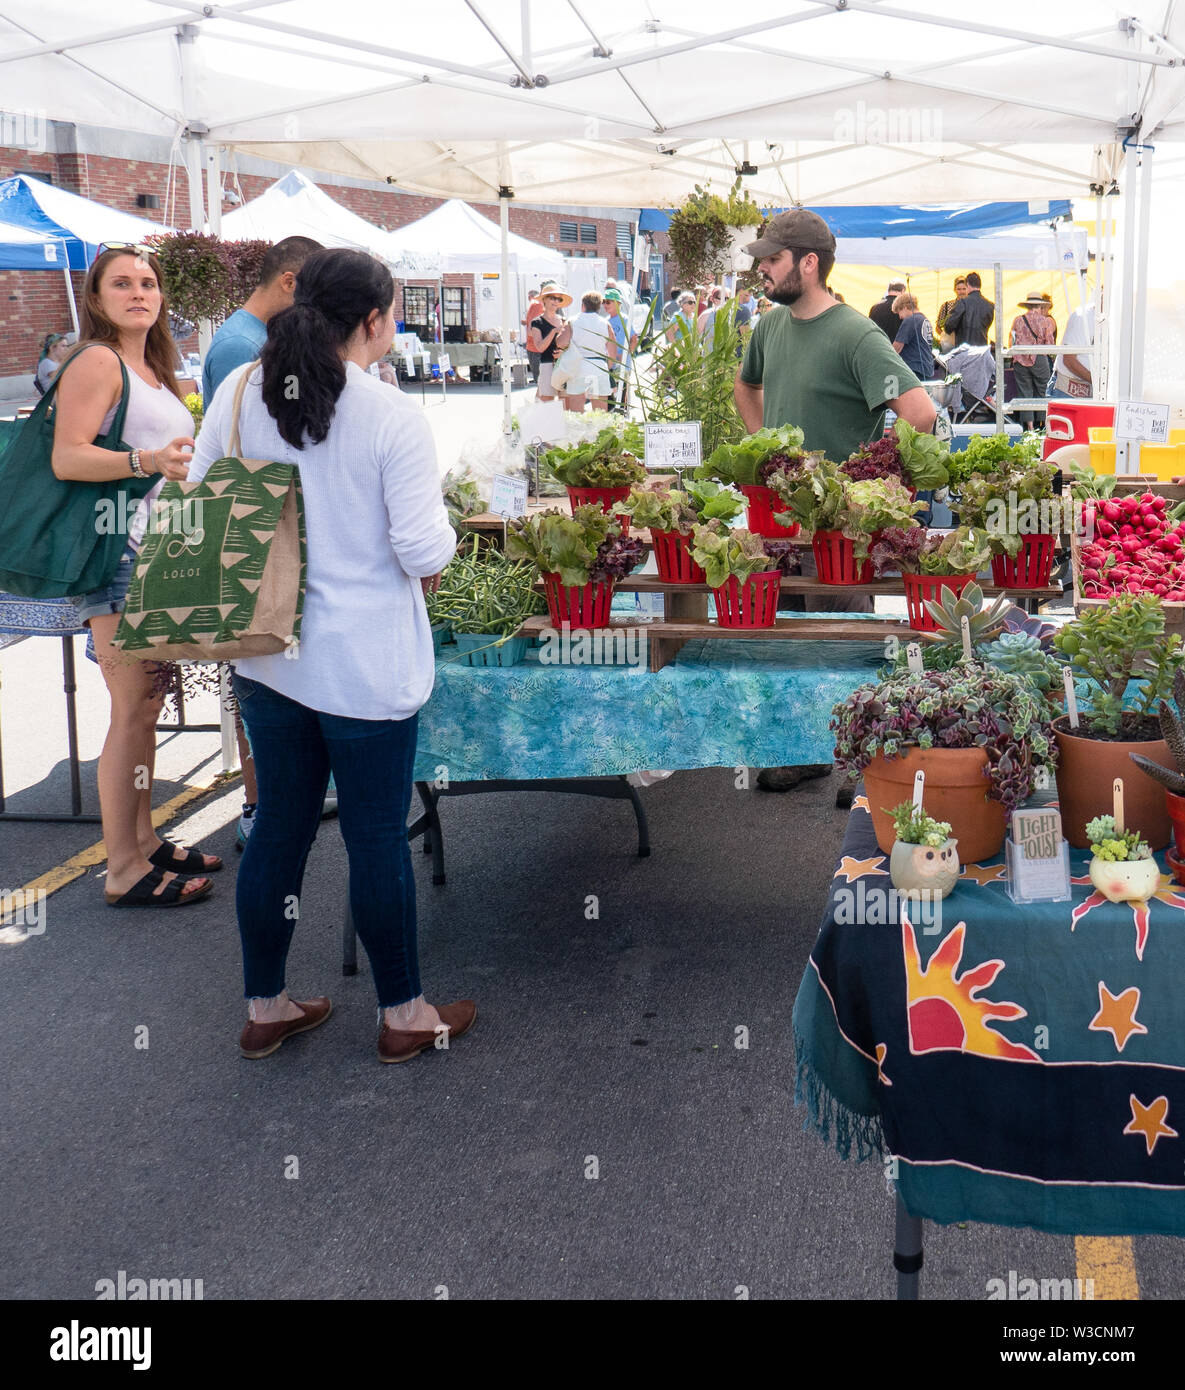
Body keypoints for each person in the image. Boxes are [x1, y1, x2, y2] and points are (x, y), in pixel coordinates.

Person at [188, 247, 470, 1064]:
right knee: (376, 837)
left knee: (279, 824)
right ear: (375, 320)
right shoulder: (390, 415)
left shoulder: (242, 392)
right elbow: (423, 551)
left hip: (267, 653)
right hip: (365, 665)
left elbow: (203, 500)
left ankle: (267, 1005)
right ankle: (403, 1015)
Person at [735, 209, 936, 793]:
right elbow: (746, 386)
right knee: (794, 637)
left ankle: (858, 764)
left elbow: (920, 414)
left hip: (840, 526)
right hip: (779, 517)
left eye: (771, 259)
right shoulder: (770, 327)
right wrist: (760, 446)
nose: (762, 269)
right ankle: (809, 752)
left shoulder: (856, 333)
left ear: (808, 263)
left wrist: (880, 489)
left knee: (842, 638)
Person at [54, 247, 220, 906]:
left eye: (148, 283)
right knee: (131, 710)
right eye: (121, 283)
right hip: (115, 551)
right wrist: (145, 459)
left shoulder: (154, 366)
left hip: (160, 551)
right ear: (96, 299)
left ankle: (145, 840)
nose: (138, 293)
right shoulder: (95, 361)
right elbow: (68, 457)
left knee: (149, 705)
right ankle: (121, 866)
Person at [203, 235, 324, 849]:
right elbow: (240, 465)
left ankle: (269, 802)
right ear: (291, 282)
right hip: (254, 552)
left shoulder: (249, 342)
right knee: (257, 671)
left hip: (259, 548)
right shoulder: (242, 351)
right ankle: (259, 803)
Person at [1010, 292, 1056, 428]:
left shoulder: (1017, 320)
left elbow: (1012, 340)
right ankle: (1042, 424)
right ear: (1040, 306)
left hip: (1020, 358)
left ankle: (1029, 426)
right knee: (1043, 391)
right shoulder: (1045, 321)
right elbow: (1049, 343)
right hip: (1039, 358)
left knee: (1025, 393)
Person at [564, 290, 614, 412]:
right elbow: (612, 353)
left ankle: (579, 431)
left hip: (578, 367)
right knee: (600, 414)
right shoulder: (605, 323)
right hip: (598, 367)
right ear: (599, 306)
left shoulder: (572, 321)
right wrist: (606, 366)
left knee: (576, 413)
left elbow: (561, 342)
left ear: (583, 305)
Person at [526, 285, 572, 402]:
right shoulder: (537, 322)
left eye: (559, 299)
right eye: (552, 298)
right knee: (546, 401)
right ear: (544, 299)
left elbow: (571, 344)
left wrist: (563, 352)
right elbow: (540, 347)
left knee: (565, 401)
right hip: (547, 365)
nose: (556, 301)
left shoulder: (564, 320)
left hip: (563, 365)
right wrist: (553, 332)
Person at [1050, 300, 1096, 399]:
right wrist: (1098, 381)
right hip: (1068, 390)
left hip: (1084, 388)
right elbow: (1069, 360)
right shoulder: (1083, 317)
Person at [603, 288, 636, 411]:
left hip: (622, 365)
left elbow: (634, 338)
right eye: (604, 302)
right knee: (611, 397)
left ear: (618, 303)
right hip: (610, 365)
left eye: (608, 302)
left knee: (621, 397)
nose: (605, 305)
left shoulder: (625, 319)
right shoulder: (605, 321)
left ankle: (623, 421)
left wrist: (625, 355)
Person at [891, 291, 935, 382]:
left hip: (914, 369)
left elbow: (897, 348)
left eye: (899, 312)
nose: (900, 317)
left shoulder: (910, 320)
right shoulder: (925, 320)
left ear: (905, 307)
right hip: (927, 369)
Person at [943, 270, 994, 346]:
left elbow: (948, 326)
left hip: (964, 350)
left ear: (967, 284)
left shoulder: (962, 303)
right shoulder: (990, 305)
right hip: (981, 350)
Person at [522, 285, 544, 384]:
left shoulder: (535, 304)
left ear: (531, 296)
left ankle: (537, 379)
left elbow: (534, 320)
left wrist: (531, 333)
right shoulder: (536, 304)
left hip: (533, 338)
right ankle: (537, 378)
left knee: (535, 360)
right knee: (534, 360)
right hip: (532, 338)